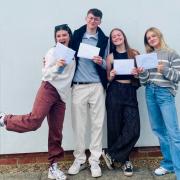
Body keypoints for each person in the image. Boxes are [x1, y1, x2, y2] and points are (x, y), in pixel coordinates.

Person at [0, 24, 75, 180]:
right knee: (35, 121)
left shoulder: (73, 54)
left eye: (64, 35)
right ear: (55, 38)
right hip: (48, 89)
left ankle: (53, 167)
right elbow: (46, 74)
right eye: (58, 35)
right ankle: (4, 119)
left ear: (70, 36)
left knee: (56, 132)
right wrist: (57, 66)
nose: (61, 38)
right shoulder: (52, 52)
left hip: (61, 96)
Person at [68, 8, 108, 178]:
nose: (93, 21)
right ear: (86, 18)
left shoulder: (104, 39)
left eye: (96, 19)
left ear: (100, 22)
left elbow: (108, 65)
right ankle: (79, 159)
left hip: (97, 86)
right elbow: (65, 51)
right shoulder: (76, 35)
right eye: (91, 18)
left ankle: (94, 161)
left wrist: (101, 62)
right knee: (79, 125)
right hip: (78, 86)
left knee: (97, 125)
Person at [137, 27, 180, 179]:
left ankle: (179, 169)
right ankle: (168, 164)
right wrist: (141, 73)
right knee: (159, 130)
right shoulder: (147, 56)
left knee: (173, 133)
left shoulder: (171, 53)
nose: (151, 39)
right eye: (148, 38)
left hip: (164, 93)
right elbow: (143, 82)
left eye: (153, 36)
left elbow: (177, 77)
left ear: (159, 36)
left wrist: (165, 69)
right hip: (150, 92)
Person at [101, 28, 140, 177]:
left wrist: (137, 73)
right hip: (115, 91)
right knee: (115, 127)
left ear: (124, 36)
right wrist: (110, 75)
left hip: (130, 91)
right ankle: (125, 161)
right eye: (113, 36)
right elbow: (108, 79)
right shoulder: (110, 57)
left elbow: (141, 74)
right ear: (112, 40)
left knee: (133, 128)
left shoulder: (134, 53)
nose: (116, 37)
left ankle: (110, 153)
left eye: (119, 35)